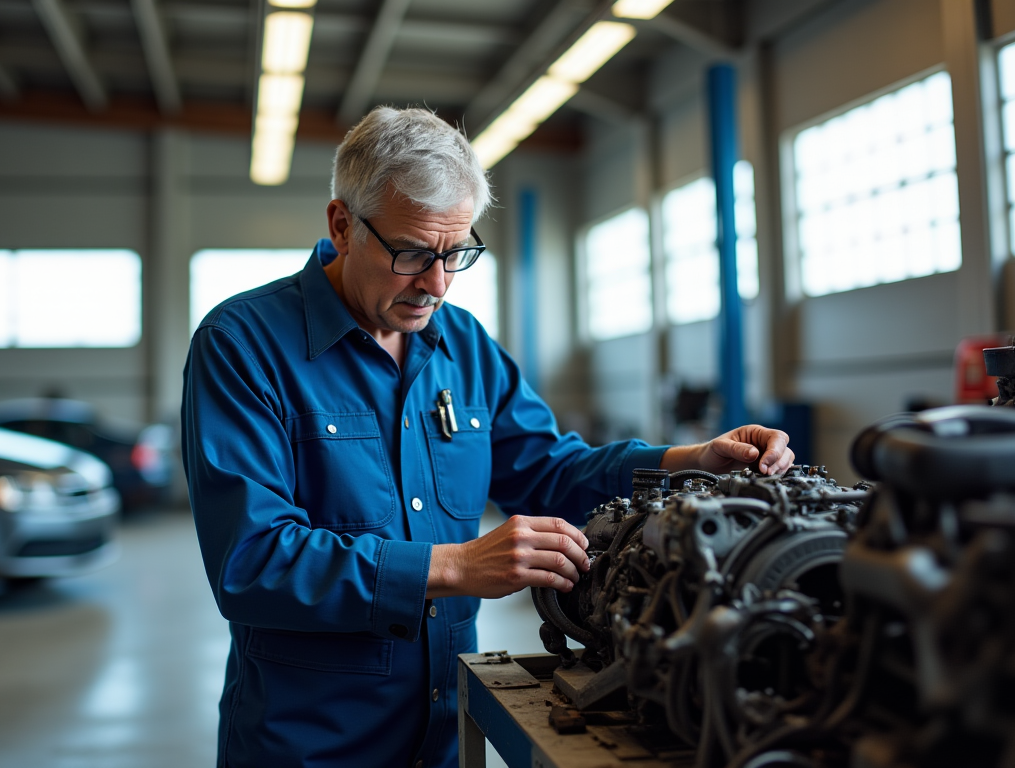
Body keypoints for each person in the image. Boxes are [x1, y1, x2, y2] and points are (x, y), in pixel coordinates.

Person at [182, 106, 793, 768]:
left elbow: (552, 472)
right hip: (310, 743)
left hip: (447, 733)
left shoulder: (464, 346)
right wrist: (456, 566)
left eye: (457, 253)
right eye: (412, 253)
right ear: (342, 225)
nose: (436, 284)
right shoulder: (242, 346)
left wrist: (690, 460)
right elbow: (253, 562)